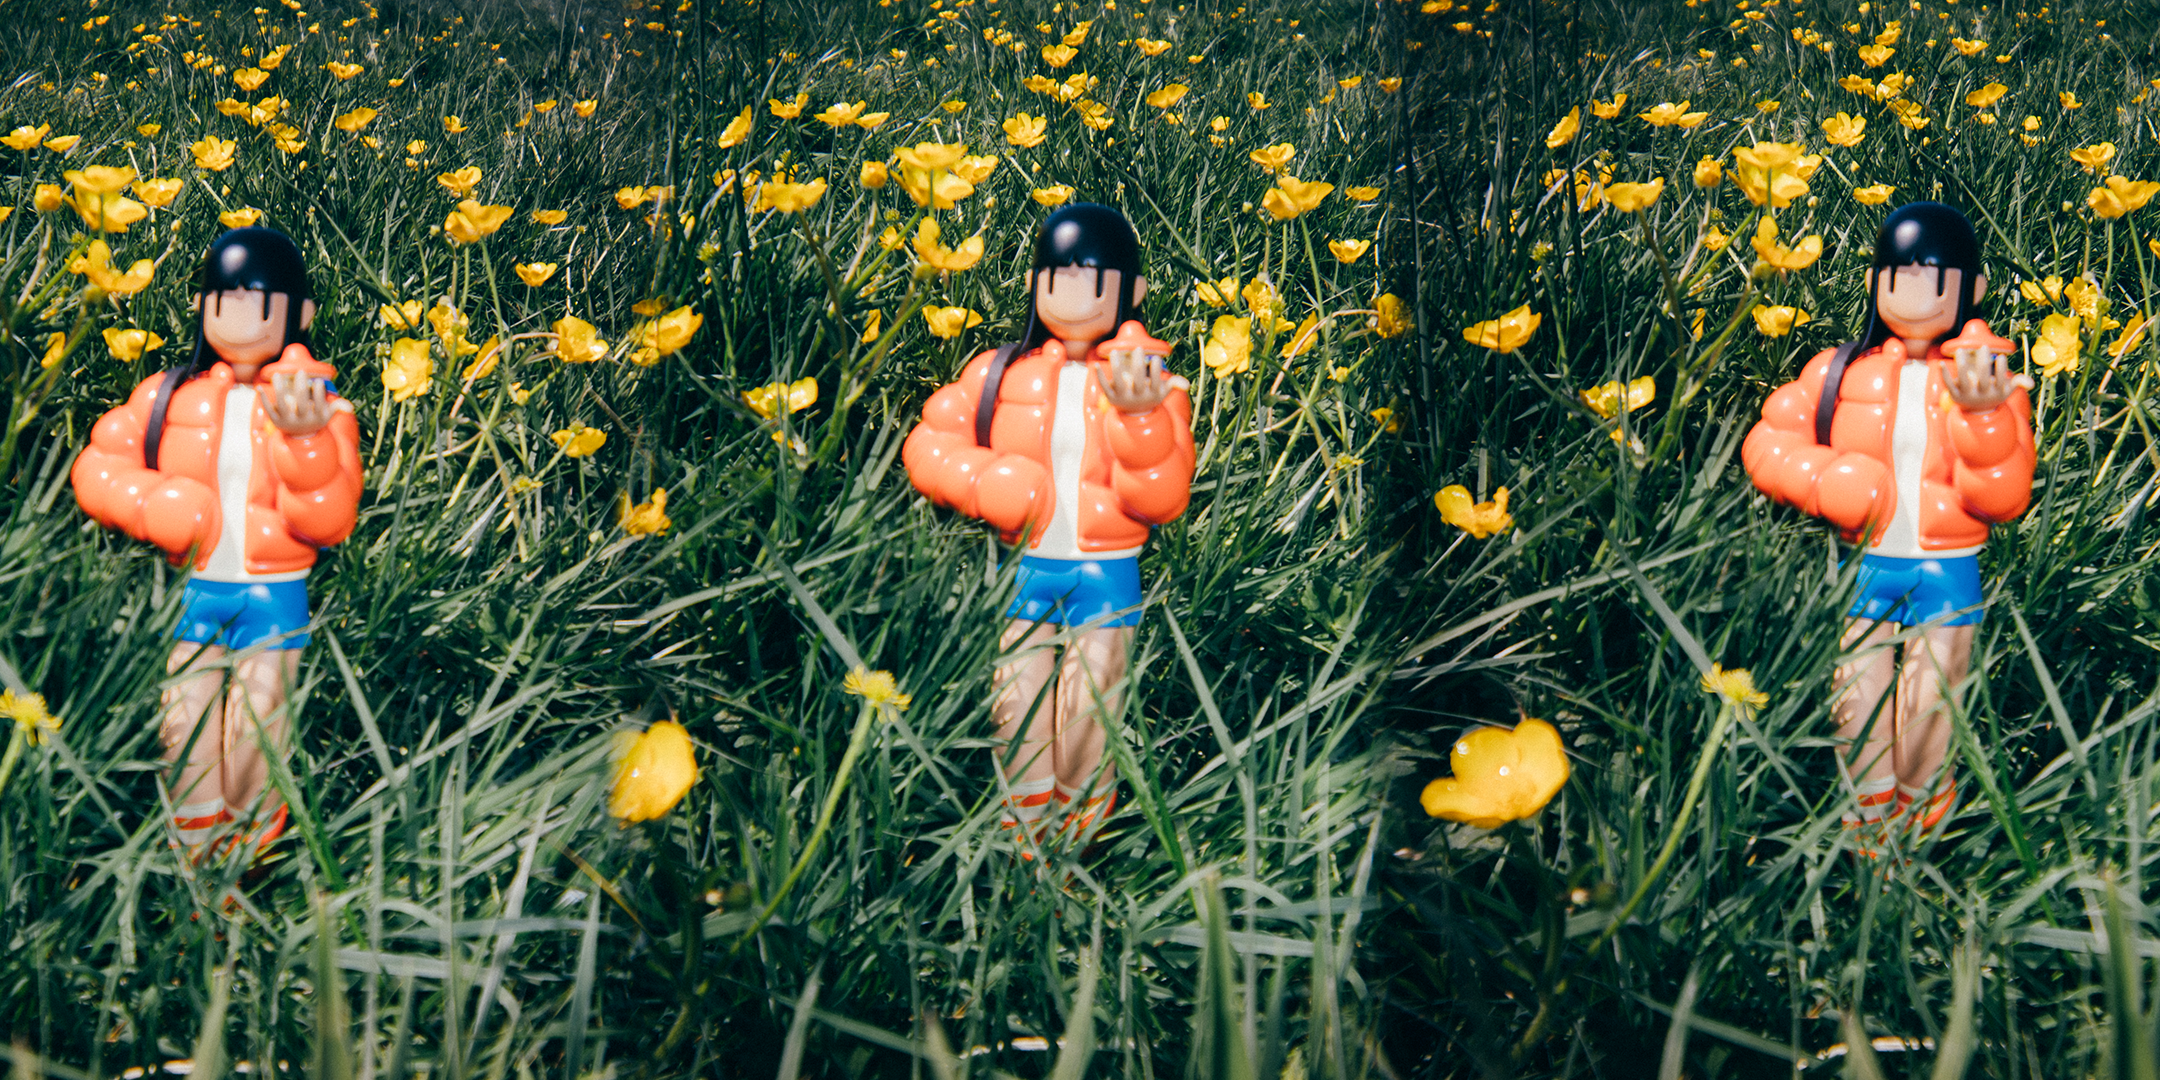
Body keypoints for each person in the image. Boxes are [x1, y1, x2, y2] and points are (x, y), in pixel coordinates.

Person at [1741, 201, 2035, 848]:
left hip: (1947, 567)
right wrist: (1824, 481)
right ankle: (1867, 826)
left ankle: (1921, 822)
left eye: (1935, 279)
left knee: (1933, 703)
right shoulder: (1839, 372)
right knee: (1858, 696)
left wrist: (1985, 418)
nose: (1915, 294)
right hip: (1866, 561)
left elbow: (2006, 494)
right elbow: (1768, 441)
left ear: (1972, 290)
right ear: (1877, 282)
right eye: (1899, 277)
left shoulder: (1990, 382)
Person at [902, 203, 1195, 848]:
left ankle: (1079, 836)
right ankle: (1023, 835)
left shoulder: (1156, 387)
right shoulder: (998, 373)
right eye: (1056, 277)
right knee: (1016, 701)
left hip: (1106, 571)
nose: (1071, 295)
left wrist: (1140, 420)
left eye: (1092, 280)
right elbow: (927, 443)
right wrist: (984, 482)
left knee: (1093, 704)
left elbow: (1164, 496)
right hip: (1025, 564)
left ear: (1132, 293)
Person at [72, 227, 363, 859]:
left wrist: (305, 443)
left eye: (258, 303)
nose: (238, 317)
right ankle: (194, 845)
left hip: (274, 593)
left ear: (299, 315)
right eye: (223, 300)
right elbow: (97, 466)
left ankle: (251, 844)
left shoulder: (323, 409)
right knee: (185, 719)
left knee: (262, 721)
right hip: (196, 588)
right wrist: (151, 504)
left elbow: (331, 519)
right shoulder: (167, 396)